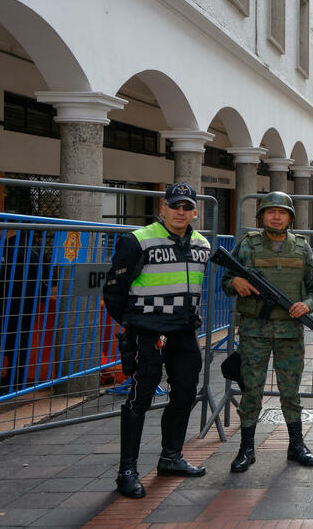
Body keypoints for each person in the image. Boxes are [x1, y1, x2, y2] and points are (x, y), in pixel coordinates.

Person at [103, 183, 212, 499]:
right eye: (175, 205)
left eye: (186, 207)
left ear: (195, 212)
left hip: (184, 332)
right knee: (140, 398)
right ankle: (127, 471)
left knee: (185, 393)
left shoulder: (202, 244)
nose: (180, 212)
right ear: (163, 207)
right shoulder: (138, 240)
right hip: (147, 332)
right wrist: (132, 323)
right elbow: (114, 290)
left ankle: (171, 457)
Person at [222, 191, 313, 473]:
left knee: (290, 392)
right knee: (251, 391)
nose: (276, 217)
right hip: (254, 332)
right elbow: (226, 281)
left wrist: (307, 305)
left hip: (290, 333)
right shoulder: (248, 245)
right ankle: (246, 448)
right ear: (262, 216)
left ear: (290, 217)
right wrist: (236, 282)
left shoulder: (302, 248)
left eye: (282, 212)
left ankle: (296, 445)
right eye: (270, 212)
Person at [0, 228, 50, 393]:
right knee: (14, 340)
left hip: (13, 301)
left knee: (13, 340)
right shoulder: (25, 246)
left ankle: (13, 382)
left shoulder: (16, 248)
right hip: (17, 301)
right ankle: (13, 379)